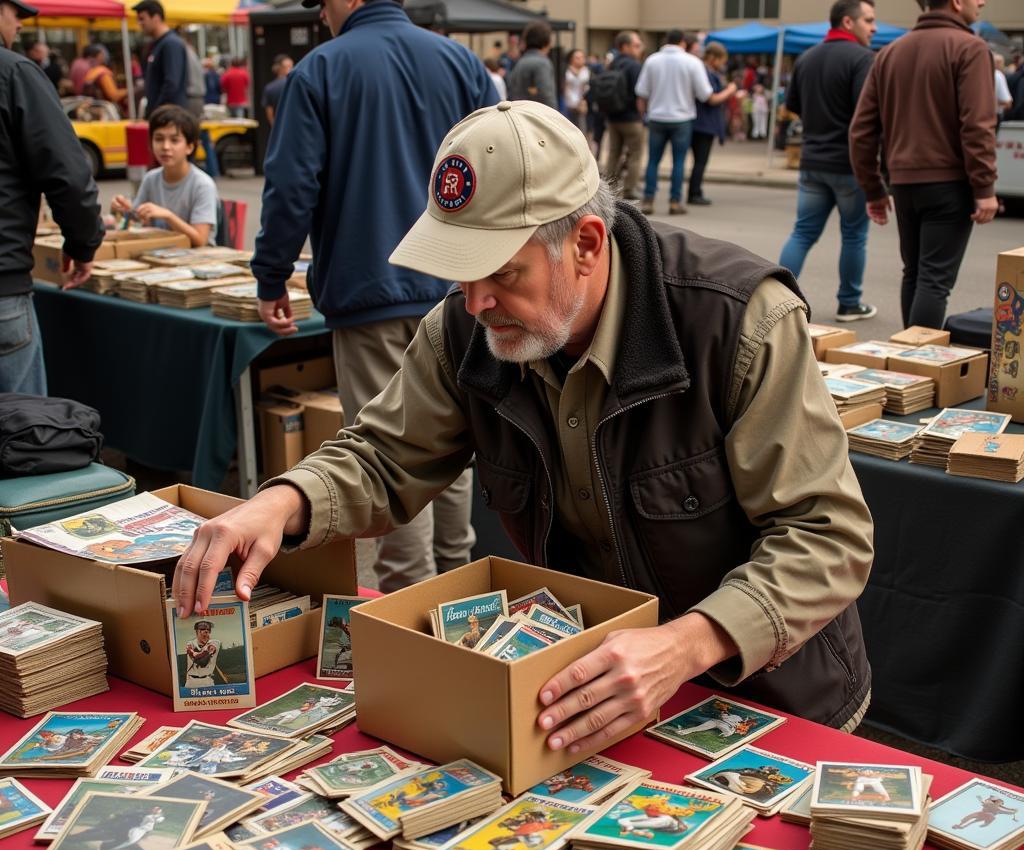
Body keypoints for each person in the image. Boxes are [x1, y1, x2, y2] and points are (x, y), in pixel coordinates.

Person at [173, 101, 875, 753]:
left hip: (767, 698)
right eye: (460, 273)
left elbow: (827, 534)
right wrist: (283, 501)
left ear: (588, 244)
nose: (476, 302)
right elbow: (386, 454)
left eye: (503, 273)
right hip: (584, 698)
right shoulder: (465, 328)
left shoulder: (739, 320)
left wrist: (688, 645)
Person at [248, 0, 496, 595]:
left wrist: (271, 275)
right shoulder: (460, 61)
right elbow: (499, 167)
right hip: (460, 287)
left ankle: (409, 602)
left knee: (386, 453)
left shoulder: (321, 70)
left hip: (371, 292)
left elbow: (291, 186)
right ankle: (460, 589)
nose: (321, 15)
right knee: (454, 438)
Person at [850, 0, 997, 330]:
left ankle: (910, 362)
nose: (983, 2)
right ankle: (919, 367)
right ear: (957, 2)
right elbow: (977, 125)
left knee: (915, 273)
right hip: (949, 182)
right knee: (933, 280)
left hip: (904, 182)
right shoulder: (970, 48)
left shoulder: (889, 52)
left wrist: (874, 189)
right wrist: (984, 186)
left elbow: (861, 131)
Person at [0, 0, 102, 396]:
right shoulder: (14, 72)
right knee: (21, 440)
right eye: (15, 12)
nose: (20, 25)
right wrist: (83, 245)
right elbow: (69, 177)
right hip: (4, 289)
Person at [779, 0, 878, 324]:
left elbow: (793, 104)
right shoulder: (863, 59)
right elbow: (869, 114)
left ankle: (776, 299)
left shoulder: (807, 57)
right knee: (854, 235)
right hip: (849, 164)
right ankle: (849, 303)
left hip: (812, 159)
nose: (873, 27)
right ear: (848, 22)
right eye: (869, 20)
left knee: (802, 232)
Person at [635, 28, 736, 216]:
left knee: (653, 161)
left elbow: (642, 94)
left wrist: (645, 116)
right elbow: (706, 95)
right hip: (682, 118)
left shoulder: (652, 60)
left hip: (657, 117)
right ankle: (675, 201)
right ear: (683, 42)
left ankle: (649, 199)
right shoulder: (692, 62)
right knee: (679, 161)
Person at [110, 105, 218, 248]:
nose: (166, 147)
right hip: (161, 252)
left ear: (190, 147)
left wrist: (168, 216)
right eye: (159, 139)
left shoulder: (202, 184)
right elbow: (137, 221)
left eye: (174, 140)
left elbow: (200, 240)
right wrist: (124, 209)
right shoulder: (151, 178)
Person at [688, 43, 743, 207]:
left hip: (701, 122)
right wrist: (730, 91)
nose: (722, 64)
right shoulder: (704, 72)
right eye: (721, 60)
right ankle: (694, 192)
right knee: (700, 160)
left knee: (699, 160)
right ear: (713, 58)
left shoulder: (708, 72)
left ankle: (695, 191)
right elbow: (711, 98)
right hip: (703, 123)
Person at [601, 30, 645, 200]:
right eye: (636, 45)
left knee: (613, 152)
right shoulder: (634, 65)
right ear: (625, 46)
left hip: (613, 116)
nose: (639, 48)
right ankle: (630, 188)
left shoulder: (611, 64)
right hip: (631, 117)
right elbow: (639, 91)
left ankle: (608, 189)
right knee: (635, 153)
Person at [134, 0, 188, 112]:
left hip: (168, 116)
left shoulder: (171, 43)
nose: (140, 24)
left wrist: (157, 109)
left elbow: (172, 83)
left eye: (142, 19)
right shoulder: (158, 44)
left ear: (156, 17)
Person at [506, 20, 556, 109]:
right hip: (536, 115)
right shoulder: (542, 63)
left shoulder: (520, 62)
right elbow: (546, 96)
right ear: (546, 41)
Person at [183, 619, 221, 683]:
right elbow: (199, 660)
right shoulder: (190, 643)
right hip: (191, 681)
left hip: (207, 680)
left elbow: (203, 662)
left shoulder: (215, 642)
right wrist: (205, 653)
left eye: (208, 629)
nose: (206, 631)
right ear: (196, 631)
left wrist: (199, 654)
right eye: (202, 629)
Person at [260, 53, 293, 128]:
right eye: (288, 67)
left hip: (279, 127)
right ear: (279, 68)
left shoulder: (269, 87)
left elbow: (269, 113)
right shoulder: (297, 85)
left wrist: (274, 128)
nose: (291, 69)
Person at [563, 48, 589, 133]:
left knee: (582, 129)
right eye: (577, 57)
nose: (580, 60)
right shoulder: (565, 71)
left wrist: (583, 100)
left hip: (582, 104)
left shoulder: (586, 71)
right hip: (567, 104)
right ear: (571, 59)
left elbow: (588, 88)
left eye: (582, 57)